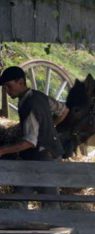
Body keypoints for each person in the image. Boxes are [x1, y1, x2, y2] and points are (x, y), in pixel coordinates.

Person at [0, 66, 65, 208]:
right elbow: (64, 110)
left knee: (50, 204)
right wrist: (50, 126)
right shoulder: (38, 95)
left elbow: (29, 141)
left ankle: (52, 228)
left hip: (43, 160)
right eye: (5, 87)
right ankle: (19, 224)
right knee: (22, 195)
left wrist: (2, 150)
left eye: (9, 86)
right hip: (50, 155)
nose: (7, 90)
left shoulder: (30, 105)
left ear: (21, 82)